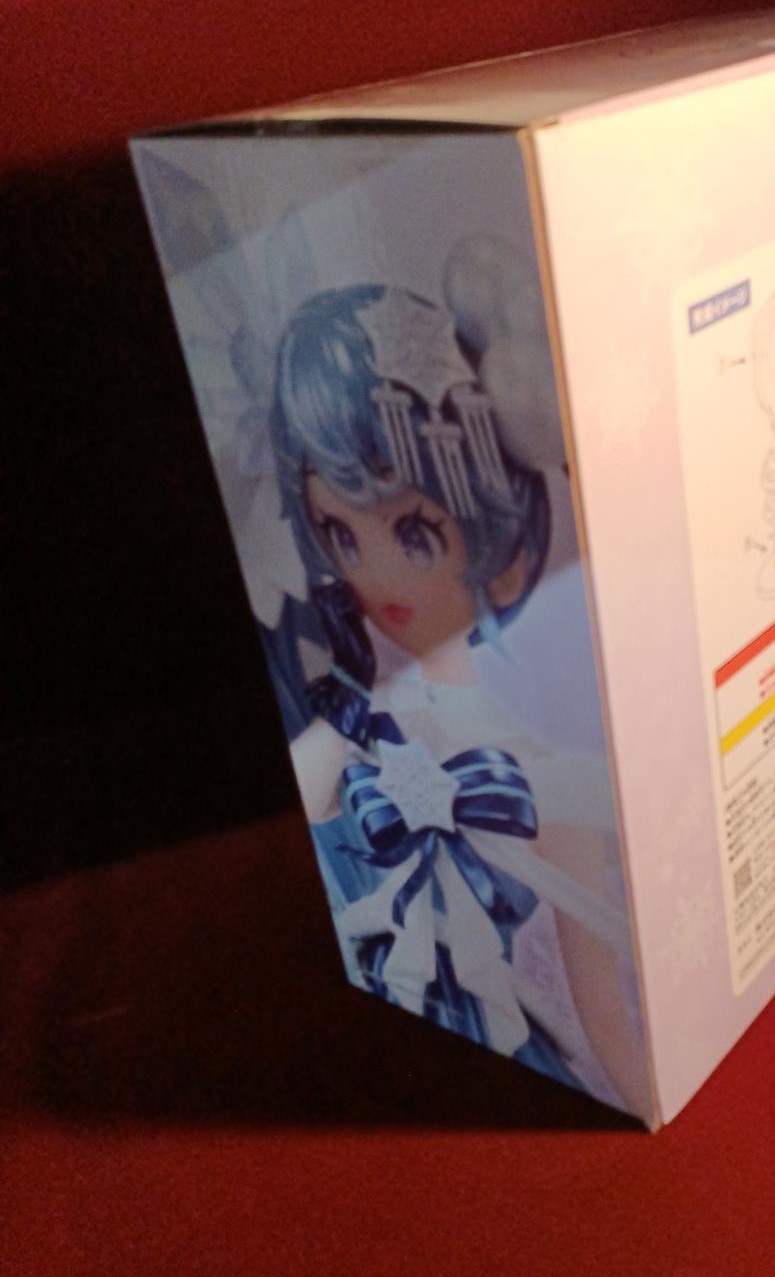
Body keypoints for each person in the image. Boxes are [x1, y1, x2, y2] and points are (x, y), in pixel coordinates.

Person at [268, 283, 645, 1111]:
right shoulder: (356, 721)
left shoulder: (543, 769)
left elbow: (600, 1008)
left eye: (414, 534)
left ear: (493, 534)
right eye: (340, 535)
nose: (377, 574)